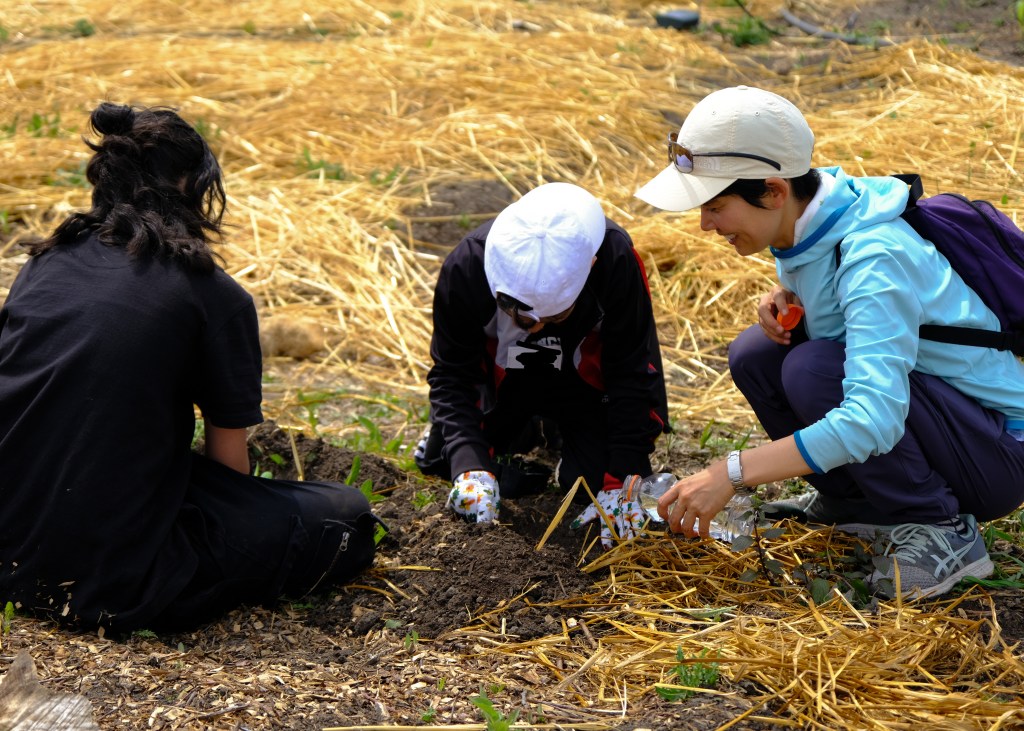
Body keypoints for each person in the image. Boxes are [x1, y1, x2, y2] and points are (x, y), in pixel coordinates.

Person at [0, 103, 383, 632]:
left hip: (8, 539)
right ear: (190, 185)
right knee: (345, 512)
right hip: (108, 574)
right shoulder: (212, 296)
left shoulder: (44, 263)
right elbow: (229, 470)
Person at [635, 85, 1024, 599]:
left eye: (715, 205)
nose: (705, 224)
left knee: (813, 368)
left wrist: (730, 473)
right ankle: (860, 504)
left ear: (774, 191)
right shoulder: (810, 222)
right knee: (757, 355)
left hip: (997, 453)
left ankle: (940, 528)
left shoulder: (872, 256)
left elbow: (873, 419)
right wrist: (791, 298)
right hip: (946, 422)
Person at [416, 182, 670, 545]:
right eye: (516, 313)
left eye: (555, 316)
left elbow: (631, 371)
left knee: (590, 481)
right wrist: (470, 468)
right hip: (505, 383)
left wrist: (623, 479)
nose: (535, 328)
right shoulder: (467, 264)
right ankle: (525, 431)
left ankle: (563, 438)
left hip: (583, 388)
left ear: (589, 268)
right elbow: (452, 373)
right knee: (445, 460)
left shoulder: (614, 258)